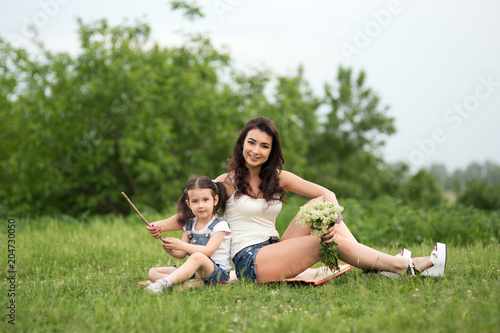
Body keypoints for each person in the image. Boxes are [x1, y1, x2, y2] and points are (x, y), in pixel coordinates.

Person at [147, 117, 447, 283]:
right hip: (249, 259)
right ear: (242, 145)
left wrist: (331, 219)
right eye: (251, 142)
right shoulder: (226, 182)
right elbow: (194, 212)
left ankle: (380, 265)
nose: (256, 150)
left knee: (316, 210)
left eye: (264, 145)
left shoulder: (278, 177)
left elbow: (326, 194)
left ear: (270, 150)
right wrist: (161, 225)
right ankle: (400, 266)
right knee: (324, 243)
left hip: (276, 247)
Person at [146, 176, 231, 293]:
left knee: (198, 256)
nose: (200, 205)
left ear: (215, 200)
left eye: (205, 200)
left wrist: (181, 245)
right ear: (189, 204)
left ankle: (164, 283)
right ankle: (183, 281)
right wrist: (170, 249)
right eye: (195, 201)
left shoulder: (220, 225)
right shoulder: (189, 224)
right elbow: (181, 254)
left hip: (216, 274)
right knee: (153, 272)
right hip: (195, 272)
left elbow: (208, 251)